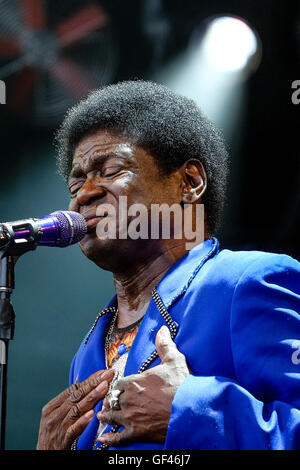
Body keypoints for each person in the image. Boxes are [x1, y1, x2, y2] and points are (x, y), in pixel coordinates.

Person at [36, 80, 300, 450]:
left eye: (110, 170)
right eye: (76, 179)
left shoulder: (247, 282)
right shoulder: (89, 351)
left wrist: (191, 411)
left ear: (189, 183)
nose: (84, 192)